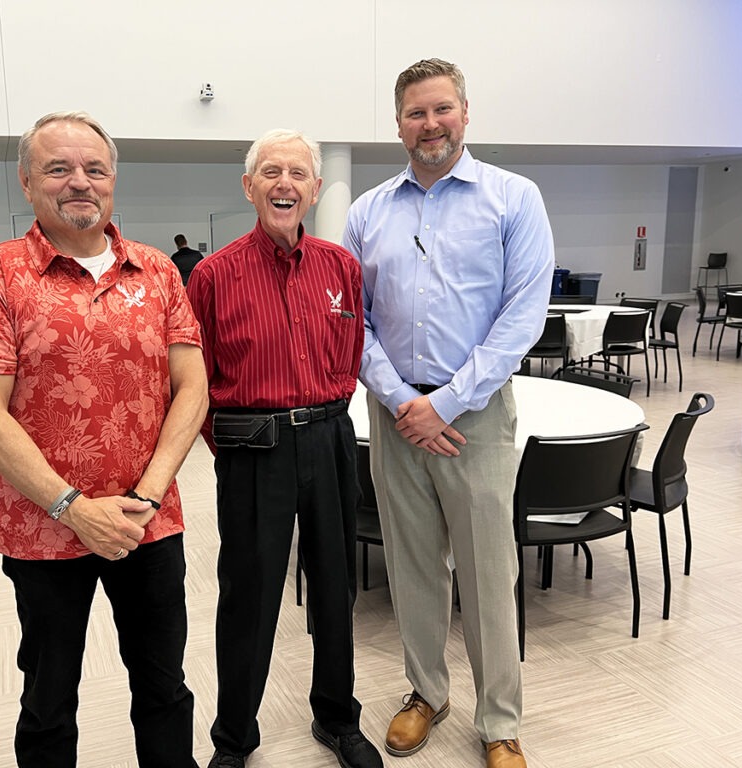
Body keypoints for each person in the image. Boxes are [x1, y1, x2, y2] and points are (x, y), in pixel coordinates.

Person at [0, 111, 208, 768]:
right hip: (43, 529)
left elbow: (192, 390)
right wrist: (73, 508)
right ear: (27, 181)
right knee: (48, 698)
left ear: (113, 179)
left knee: (164, 688)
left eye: (94, 168)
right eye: (59, 168)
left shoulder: (157, 272)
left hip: (148, 525)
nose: (79, 182)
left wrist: (147, 497)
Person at [343, 60, 554, 768]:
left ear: (465, 113)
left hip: (476, 416)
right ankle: (426, 694)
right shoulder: (367, 212)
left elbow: (522, 316)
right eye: (415, 113)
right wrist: (403, 400)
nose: (429, 124)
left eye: (441, 110)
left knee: (488, 572)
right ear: (398, 124)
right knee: (411, 566)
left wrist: (447, 402)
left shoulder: (513, 198)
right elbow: (353, 322)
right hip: (395, 415)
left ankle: (499, 721)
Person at [187, 129, 382, 768]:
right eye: (271, 172)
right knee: (249, 596)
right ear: (249, 187)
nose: (285, 184)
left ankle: (337, 717)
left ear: (315, 189)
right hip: (254, 450)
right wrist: (234, 447)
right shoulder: (213, 276)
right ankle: (234, 737)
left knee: (335, 587)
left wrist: (323, 418)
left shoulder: (340, 268)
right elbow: (194, 383)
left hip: (330, 441)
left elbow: (350, 357)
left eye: (298, 173)